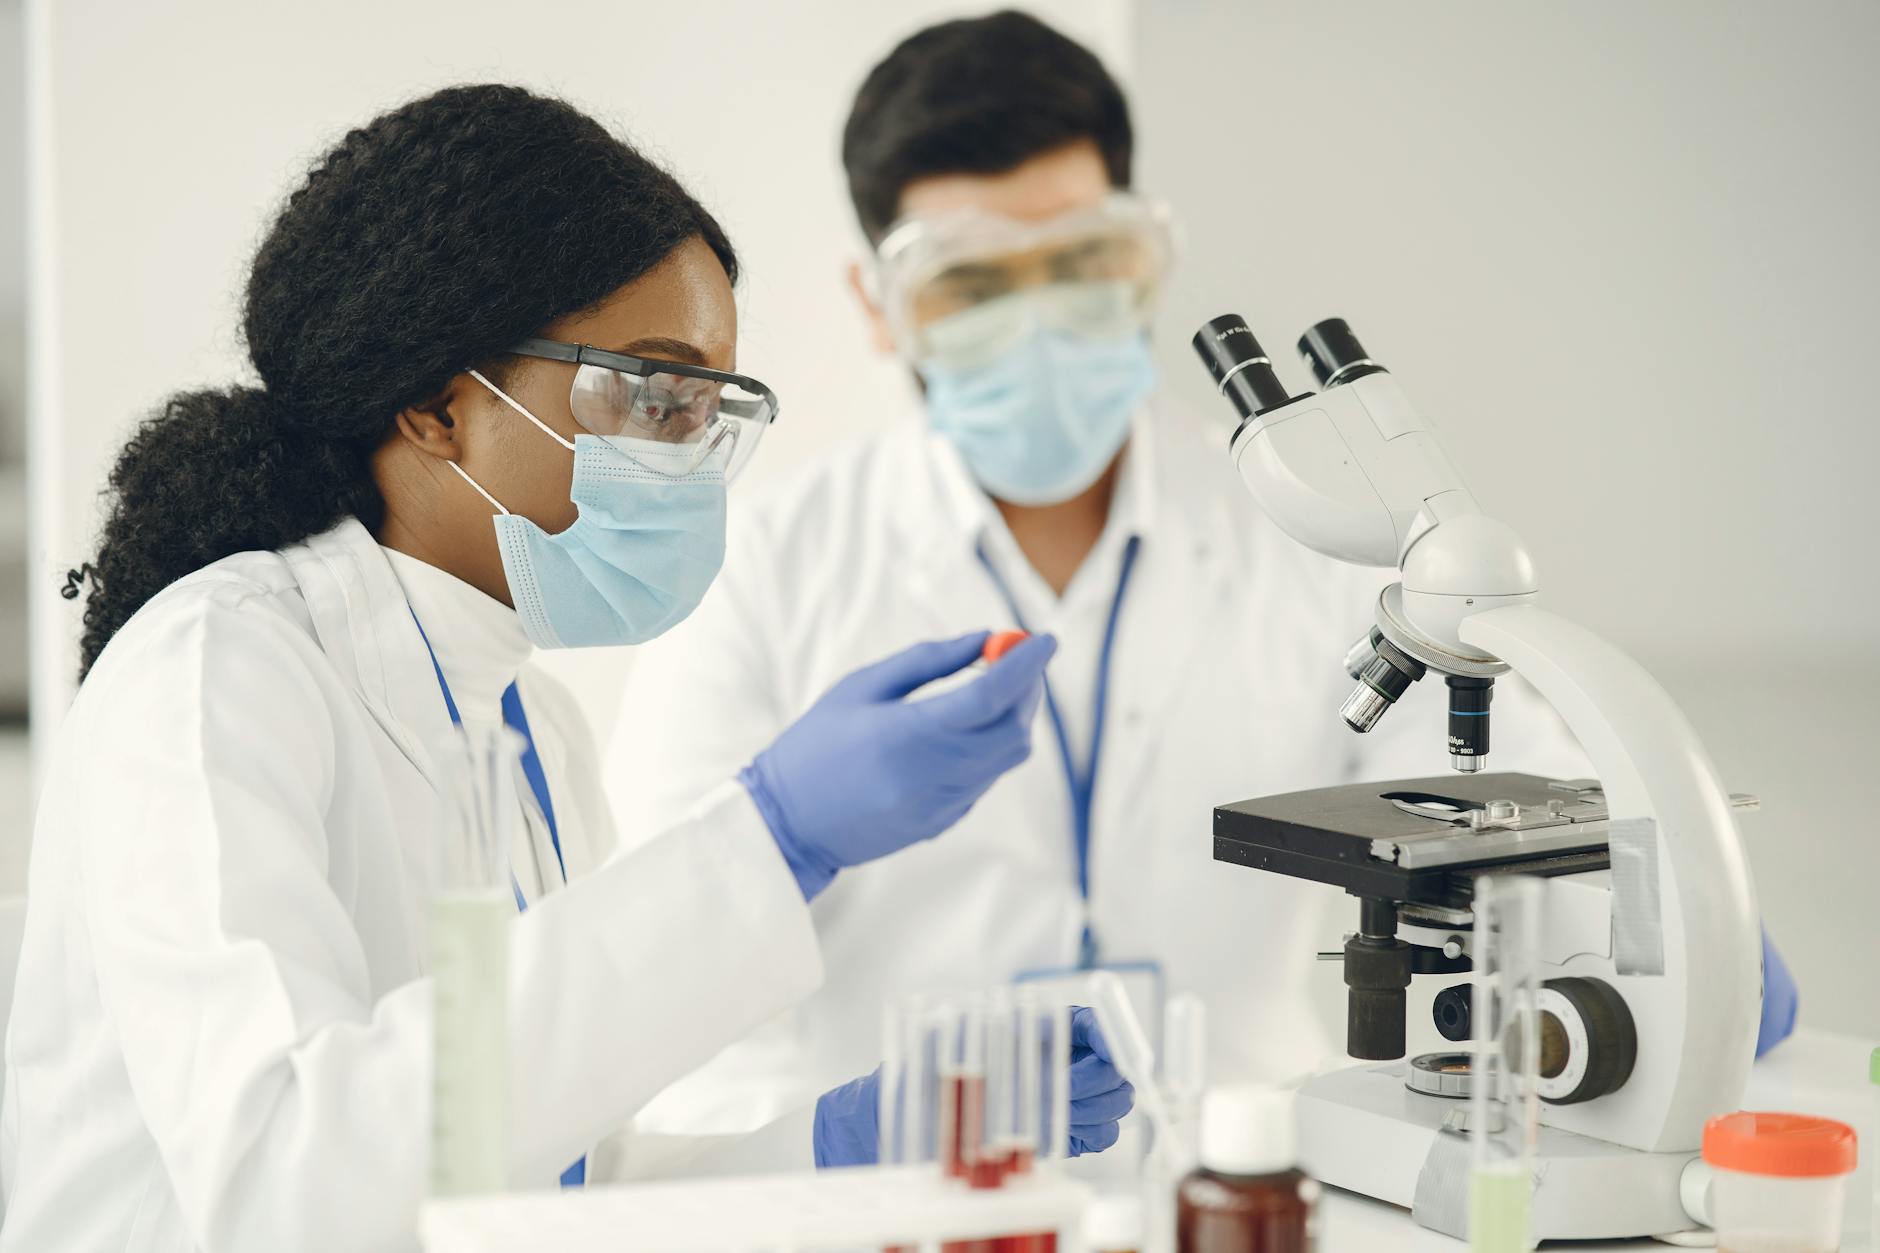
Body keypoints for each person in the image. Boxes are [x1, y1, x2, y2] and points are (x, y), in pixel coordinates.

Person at [605, 10, 1798, 1173]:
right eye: (972, 282)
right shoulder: (761, 571)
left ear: (1140, 262)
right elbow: (674, 987)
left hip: (1255, 1178)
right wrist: (825, 1176)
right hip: (900, 1207)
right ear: (880, 304)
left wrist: (1655, 931)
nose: (1038, 318)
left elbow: (1510, 823)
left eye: (1080, 264)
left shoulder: (1315, 532)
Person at [0, 85, 1136, 1253]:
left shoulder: (531, 721)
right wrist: (771, 835)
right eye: (654, 388)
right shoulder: (217, 668)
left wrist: (858, 1138)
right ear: (438, 404)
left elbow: (555, 1188)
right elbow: (290, 1187)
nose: (691, 449)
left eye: (709, 403)